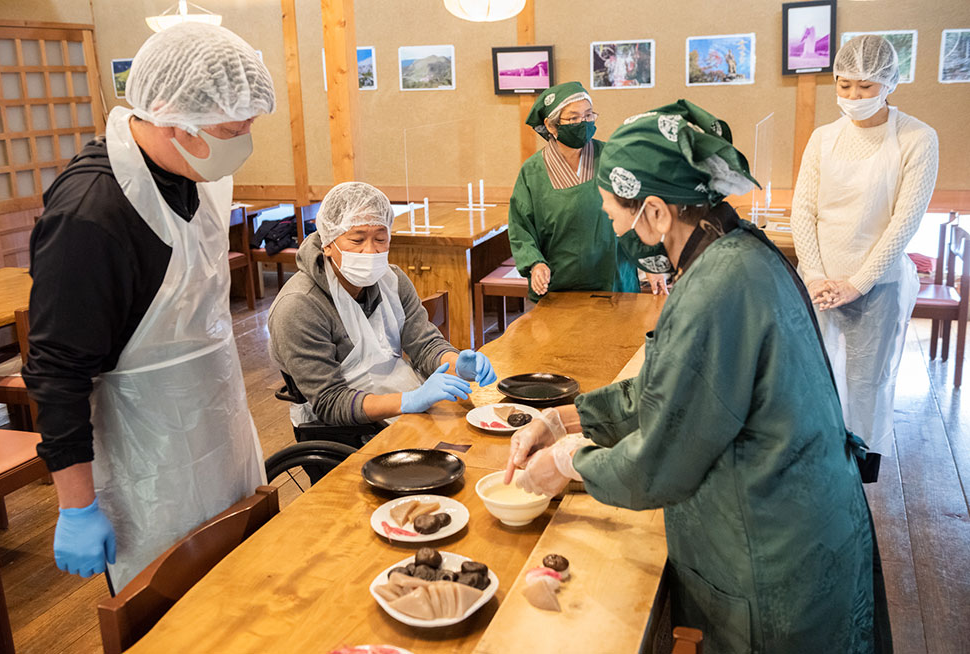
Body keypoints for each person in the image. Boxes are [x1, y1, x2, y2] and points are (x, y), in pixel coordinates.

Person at [503, 100, 891, 652]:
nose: (616, 229)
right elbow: (667, 388)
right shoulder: (731, 250)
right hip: (799, 522)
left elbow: (661, 461)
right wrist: (563, 420)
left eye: (616, 213)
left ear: (657, 213)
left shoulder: (718, 287)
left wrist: (568, 463)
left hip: (774, 551)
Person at [22, 23, 276, 592]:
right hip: (146, 461)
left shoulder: (196, 172)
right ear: (168, 117)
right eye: (231, 129)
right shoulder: (92, 215)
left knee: (245, 593)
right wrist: (76, 507)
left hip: (221, 428)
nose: (243, 140)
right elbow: (57, 371)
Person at [792, 34, 938, 469]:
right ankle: (816, 469)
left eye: (866, 86)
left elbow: (904, 223)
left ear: (890, 83)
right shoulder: (822, 138)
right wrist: (816, 276)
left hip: (877, 282)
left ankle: (859, 481)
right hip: (818, 282)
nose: (853, 96)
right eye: (844, 85)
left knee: (865, 385)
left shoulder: (917, 138)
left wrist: (858, 282)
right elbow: (804, 209)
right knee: (813, 379)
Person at [267, 182, 496, 434]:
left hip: (403, 406)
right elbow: (330, 401)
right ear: (328, 243)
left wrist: (457, 363)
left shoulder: (392, 280)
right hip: (346, 428)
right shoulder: (299, 306)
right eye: (357, 239)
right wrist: (409, 401)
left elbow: (425, 344)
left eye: (380, 238)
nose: (370, 251)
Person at [508, 81, 671, 301]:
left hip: (614, 278)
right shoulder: (533, 172)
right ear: (551, 125)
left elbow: (639, 211)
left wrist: (652, 263)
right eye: (573, 118)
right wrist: (535, 264)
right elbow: (521, 228)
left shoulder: (612, 157)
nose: (583, 123)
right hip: (560, 283)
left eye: (588, 115)